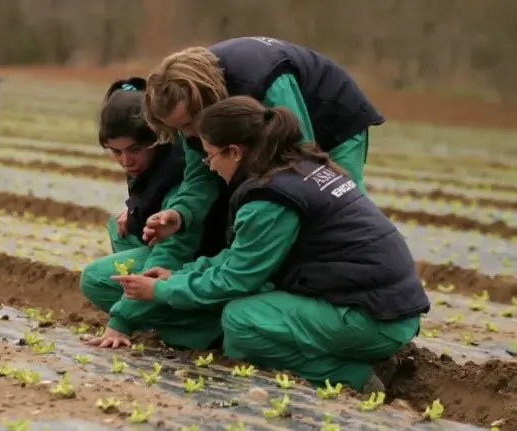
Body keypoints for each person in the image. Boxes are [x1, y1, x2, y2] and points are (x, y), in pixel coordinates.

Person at [113, 96, 429, 393]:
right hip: (386, 309)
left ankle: (352, 376)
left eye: (210, 155)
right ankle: (361, 355)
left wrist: (161, 291)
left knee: (241, 322)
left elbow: (237, 278)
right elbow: (240, 257)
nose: (209, 165)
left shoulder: (269, 199)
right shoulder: (300, 167)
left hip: (373, 319)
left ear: (234, 152)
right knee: (253, 310)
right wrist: (177, 277)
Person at [140, 36, 383, 245]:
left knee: (337, 205)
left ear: (206, 100)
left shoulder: (262, 80)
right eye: (178, 129)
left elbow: (299, 157)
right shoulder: (191, 114)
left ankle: (372, 272)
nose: (189, 134)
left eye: (188, 124)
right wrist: (181, 212)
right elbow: (200, 174)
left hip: (333, 120)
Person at [79, 77, 224, 351]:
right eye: (116, 152)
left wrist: (120, 321)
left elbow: (174, 247)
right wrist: (134, 213)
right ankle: (161, 314)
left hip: (199, 256)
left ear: (157, 139)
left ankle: (202, 326)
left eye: (134, 150)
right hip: (177, 250)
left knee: (95, 280)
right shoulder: (155, 164)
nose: (126, 161)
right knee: (119, 226)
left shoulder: (181, 171)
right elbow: (145, 204)